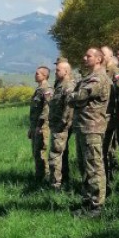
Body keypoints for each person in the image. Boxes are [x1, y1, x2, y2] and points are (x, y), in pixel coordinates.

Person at [68, 47, 111, 217]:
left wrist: (73, 96)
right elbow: (76, 98)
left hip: (93, 127)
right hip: (83, 126)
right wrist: (75, 97)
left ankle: (96, 205)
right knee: (85, 167)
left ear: (99, 59)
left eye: (89, 56)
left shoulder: (98, 78)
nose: (84, 58)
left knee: (94, 166)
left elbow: (79, 96)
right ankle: (87, 201)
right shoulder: (88, 77)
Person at [101, 46, 119, 194]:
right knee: (103, 150)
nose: (101, 57)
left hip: (110, 117)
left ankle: (108, 180)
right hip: (102, 117)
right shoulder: (102, 71)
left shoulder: (116, 72)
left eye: (104, 54)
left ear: (110, 57)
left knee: (107, 150)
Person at [48, 60, 75, 191]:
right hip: (56, 125)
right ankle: (64, 179)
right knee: (62, 153)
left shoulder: (68, 86)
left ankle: (55, 184)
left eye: (58, 70)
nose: (55, 72)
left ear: (66, 71)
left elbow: (69, 108)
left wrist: (62, 124)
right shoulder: (59, 85)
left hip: (61, 126)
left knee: (55, 155)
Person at [28, 66, 52, 183]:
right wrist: (31, 128)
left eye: (38, 73)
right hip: (35, 126)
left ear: (44, 75)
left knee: (41, 152)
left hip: (42, 127)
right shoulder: (39, 89)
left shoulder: (46, 89)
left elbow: (46, 109)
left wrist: (40, 125)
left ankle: (44, 177)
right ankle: (39, 176)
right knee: (36, 152)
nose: (35, 75)